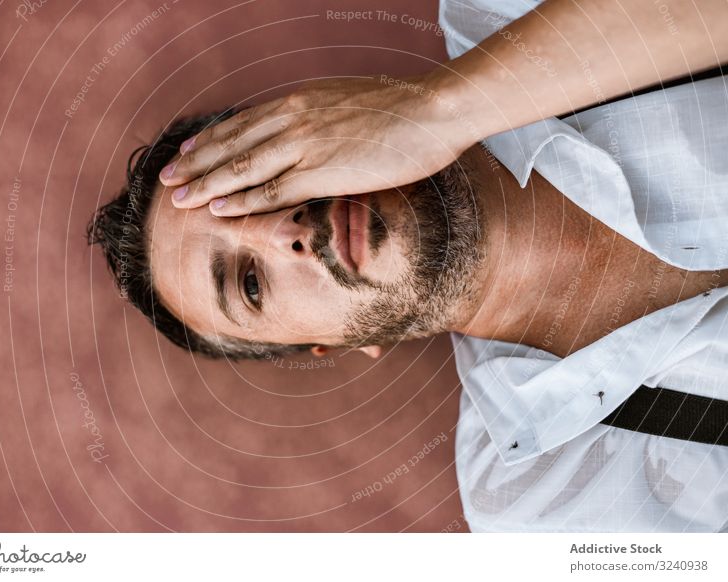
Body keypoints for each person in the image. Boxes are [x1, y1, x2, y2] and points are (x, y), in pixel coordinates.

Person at [88, 0, 728, 531]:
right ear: (340, 345)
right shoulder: (538, 497)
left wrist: (444, 105)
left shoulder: (503, 8)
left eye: (258, 183)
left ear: (301, 125)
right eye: (249, 283)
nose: (286, 232)